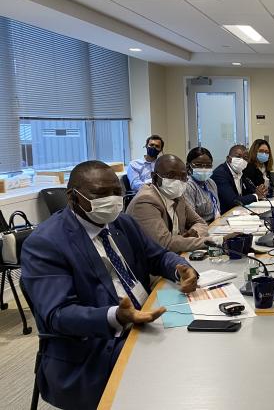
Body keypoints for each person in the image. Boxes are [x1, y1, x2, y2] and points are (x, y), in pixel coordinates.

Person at [20, 161, 198, 410]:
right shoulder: (46, 243)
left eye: (116, 192)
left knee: (200, 342)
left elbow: (157, 256)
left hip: (146, 318)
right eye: (101, 194)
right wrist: (116, 315)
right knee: (176, 375)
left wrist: (180, 267)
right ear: (73, 197)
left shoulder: (122, 224)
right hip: (94, 345)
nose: (113, 200)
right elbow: (58, 314)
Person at [126, 154, 218, 252]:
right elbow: (165, 244)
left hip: (175, 254)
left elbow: (200, 222)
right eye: (171, 175)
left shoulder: (177, 196)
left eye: (183, 177)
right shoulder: (145, 201)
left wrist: (195, 233)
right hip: (150, 262)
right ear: (154, 177)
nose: (177, 181)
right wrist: (214, 241)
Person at [212, 144, 267, 213]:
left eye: (245, 158)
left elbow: (252, 191)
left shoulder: (240, 172)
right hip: (224, 214)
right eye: (238, 156)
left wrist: (262, 191)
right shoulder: (220, 174)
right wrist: (256, 196)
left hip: (239, 212)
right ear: (228, 159)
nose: (242, 160)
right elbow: (233, 201)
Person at [184, 147, 220, 223]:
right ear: (188, 166)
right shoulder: (187, 185)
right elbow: (191, 219)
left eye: (208, 165)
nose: (204, 168)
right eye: (198, 165)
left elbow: (217, 208)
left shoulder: (211, 182)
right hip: (200, 227)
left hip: (215, 223)